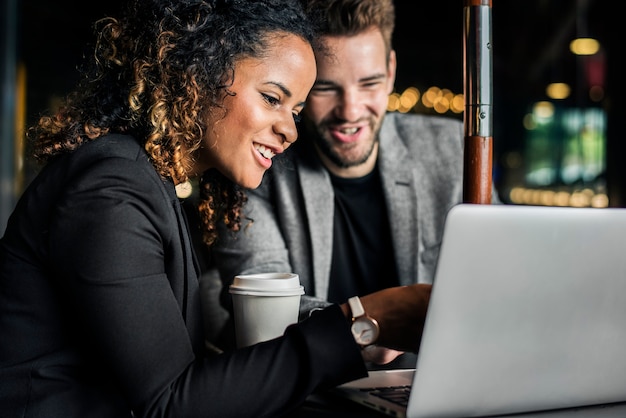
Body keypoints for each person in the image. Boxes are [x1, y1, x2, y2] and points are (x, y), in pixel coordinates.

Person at [0, 0, 433, 416]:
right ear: (198, 75)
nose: (289, 131)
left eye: (296, 111)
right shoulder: (110, 190)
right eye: (271, 98)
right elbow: (172, 403)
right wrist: (362, 321)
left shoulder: (151, 184)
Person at [211, 0, 499, 355]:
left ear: (391, 72)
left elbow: (503, 279)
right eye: (327, 88)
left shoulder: (452, 151)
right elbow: (265, 317)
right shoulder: (256, 162)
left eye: (369, 83)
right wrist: (371, 325)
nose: (350, 110)